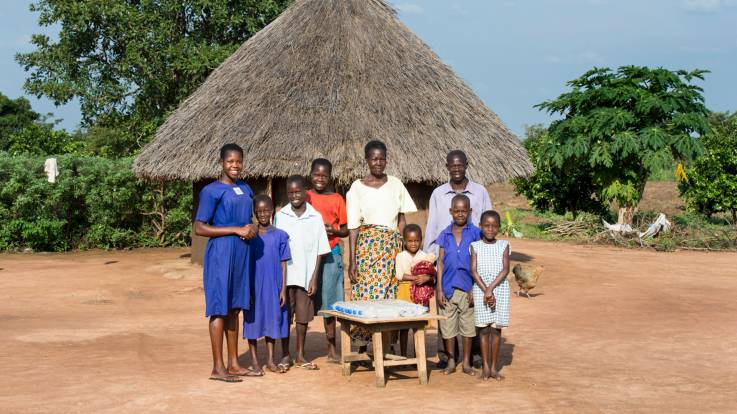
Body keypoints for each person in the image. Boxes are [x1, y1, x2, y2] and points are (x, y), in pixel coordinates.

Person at [193, 143, 259, 382]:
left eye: (239, 161)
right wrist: (234, 229)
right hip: (221, 254)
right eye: (230, 161)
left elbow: (247, 220)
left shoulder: (245, 188)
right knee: (219, 308)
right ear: (221, 162)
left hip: (241, 254)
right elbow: (199, 227)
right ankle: (217, 367)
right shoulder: (211, 191)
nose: (235, 165)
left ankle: (234, 363)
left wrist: (251, 228)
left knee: (234, 308)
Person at [424, 150, 492, 368]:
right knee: (446, 309)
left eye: (460, 165)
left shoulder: (480, 192)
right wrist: (430, 260)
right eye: (452, 166)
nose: (456, 169)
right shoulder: (437, 194)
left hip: (472, 265)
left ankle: (472, 356)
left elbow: (488, 225)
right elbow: (432, 227)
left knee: (472, 309)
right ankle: (446, 356)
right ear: (447, 167)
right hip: (445, 262)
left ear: (466, 165)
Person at [346, 140, 417, 347]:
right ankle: (362, 345)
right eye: (374, 158)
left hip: (392, 249)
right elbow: (353, 227)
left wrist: (405, 251)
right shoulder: (356, 188)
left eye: (382, 158)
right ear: (367, 160)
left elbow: (401, 219)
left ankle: (385, 343)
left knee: (390, 293)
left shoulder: (396, 184)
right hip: (367, 249)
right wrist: (352, 261)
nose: (378, 162)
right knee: (365, 293)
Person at [275, 175, 330, 370]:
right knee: (284, 315)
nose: (294, 196)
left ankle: (300, 354)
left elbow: (319, 251)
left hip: (306, 275)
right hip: (285, 276)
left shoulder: (315, 217)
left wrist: (314, 278)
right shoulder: (281, 216)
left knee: (303, 317)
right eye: (290, 192)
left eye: (297, 192)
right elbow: (276, 249)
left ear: (305, 192)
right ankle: (284, 355)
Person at [243, 195, 291, 375]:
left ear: (273, 211)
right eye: (259, 211)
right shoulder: (249, 236)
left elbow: (284, 263)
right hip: (254, 286)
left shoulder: (280, 235)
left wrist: (283, 290)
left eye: (266, 211)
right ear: (255, 213)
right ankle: (255, 361)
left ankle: (270, 360)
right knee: (252, 322)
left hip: (273, 286)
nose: (263, 214)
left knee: (272, 320)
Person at [306, 158, 349, 364]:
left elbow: (345, 230)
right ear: (310, 174)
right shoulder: (305, 196)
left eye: (324, 175)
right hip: (308, 254)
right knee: (305, 299)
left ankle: (332, 348)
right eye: (316, 174)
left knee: (330, 300)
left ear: (330, 176)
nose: (320, 179)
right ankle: (299, 350)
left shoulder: (337, 199)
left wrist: (334, 230)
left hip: (331, 252)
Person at [436, 194, 481, 376]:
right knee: (447, 328)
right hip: (447, 288)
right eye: (457, 211)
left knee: (468, 328)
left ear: (469, 212)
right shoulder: (444, 234)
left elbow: (481, 261)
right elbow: (440, 261)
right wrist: (439, 288)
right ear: (451, 212)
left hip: (468, 287)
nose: (460, 214)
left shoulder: (476, 233)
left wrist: (475, 287)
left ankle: (467, 362)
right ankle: (451, 360)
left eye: (464, 211)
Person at [470, 210, 511, 381]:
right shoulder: (475, 246)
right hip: (480, 290)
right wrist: (485, 290)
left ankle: (494, 368)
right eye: (487, 226)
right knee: (483, 330)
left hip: (499, 290)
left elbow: (505, 269)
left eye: (494, 226)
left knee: (496, 330)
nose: (490, 229)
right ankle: (485, 367)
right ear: (481, 226)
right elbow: (473, 270)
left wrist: (491, 289)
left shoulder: (504, 245)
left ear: (499, 228)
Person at [394, 224, 436, 356]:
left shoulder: (425, 256)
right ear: (404, 241)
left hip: (420, 292)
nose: (413, 244)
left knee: (418, 326)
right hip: (404, 292)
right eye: (410, 241)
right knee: (404, 326)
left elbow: (433, 275)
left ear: (421, 240)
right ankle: (403, 355)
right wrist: (415, 277)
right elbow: (399, 275)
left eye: (416, 240)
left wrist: (426, 278)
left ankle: (418, 355)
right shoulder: (400, 256)